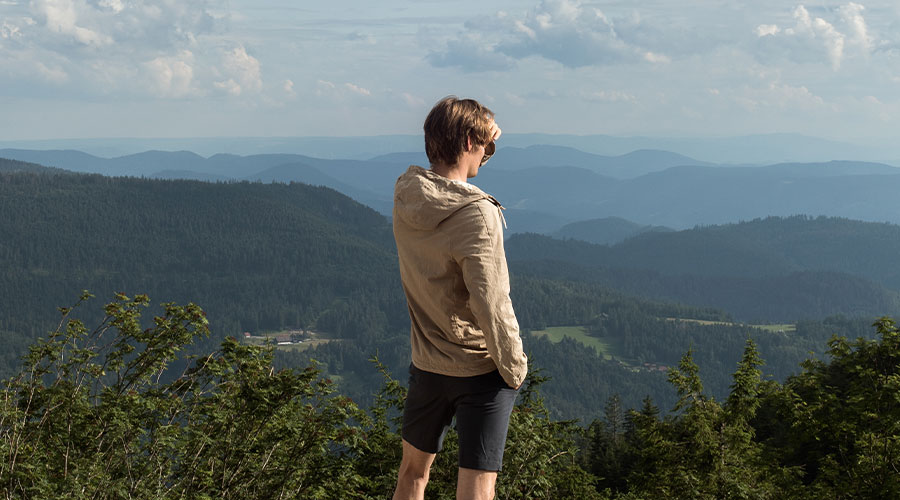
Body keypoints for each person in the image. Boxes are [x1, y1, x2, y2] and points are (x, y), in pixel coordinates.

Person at [391, 96, 528, 500]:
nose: (490, 152)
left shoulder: (407, 196)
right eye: (487, 144)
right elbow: (491, 303)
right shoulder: (476, 214)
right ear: (470, 140)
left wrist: (485, 136)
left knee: (412, 475)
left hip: (428, 363)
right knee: (477, 489)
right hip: (480, 369)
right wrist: (514, 366)